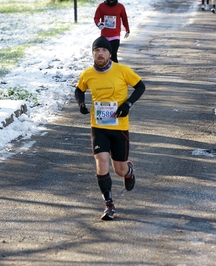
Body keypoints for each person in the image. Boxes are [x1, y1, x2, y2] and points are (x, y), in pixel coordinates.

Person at [75, 36, 145, 220]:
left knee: (119, 170)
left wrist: (127, 104)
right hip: (98, 126)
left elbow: (140, 86)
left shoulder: (122, 71)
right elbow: (79, 90)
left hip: (119, 127)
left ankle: (128, 169)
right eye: (96, 50)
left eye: (104, 50)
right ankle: (109, 204)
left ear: (110, 54)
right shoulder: (88, 74)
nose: (100, 54)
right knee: (101, 161)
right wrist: (81, 104)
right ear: (92, 54)